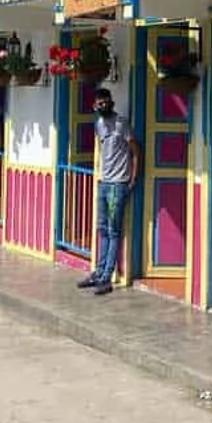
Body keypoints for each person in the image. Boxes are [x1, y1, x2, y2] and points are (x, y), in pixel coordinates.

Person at [77, 87, 140, 296]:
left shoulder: (121, 123)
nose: (102, 105)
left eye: (105, 102)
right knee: (102, 228)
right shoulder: (99, 124)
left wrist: (133, 177)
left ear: (111, 102)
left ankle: (107, 277)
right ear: (95, 105)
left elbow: (134, 150)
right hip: (104, 183)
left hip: (117, 185)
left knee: (113, 231)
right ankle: (99, 271)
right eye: (99, 103)